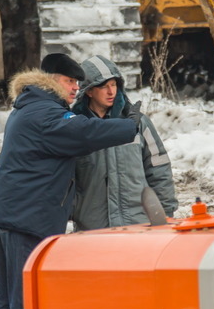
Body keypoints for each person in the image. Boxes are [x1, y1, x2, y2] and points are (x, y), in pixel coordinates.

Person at [0, 53, 138, 309]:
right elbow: (83, 133)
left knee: (10, 295)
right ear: (54, 79)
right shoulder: (46, 113)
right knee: (25, 298)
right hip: (28, 216)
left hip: (13, 212)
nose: (75, 89)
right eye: (71, 82)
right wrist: (129, 126)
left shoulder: (31, 106)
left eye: (78, 84)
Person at [71, 55, 177, 231]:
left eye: (114, 85)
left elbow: (159, 170)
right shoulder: (78, 129)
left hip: (138, 226)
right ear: (89, 91)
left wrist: (165, 215)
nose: (111, 92)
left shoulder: (138, 123)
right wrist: (75, 212)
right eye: (104, 86)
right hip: (94, 230)